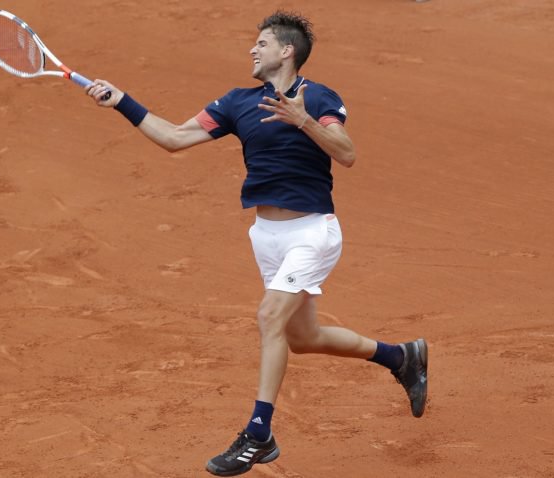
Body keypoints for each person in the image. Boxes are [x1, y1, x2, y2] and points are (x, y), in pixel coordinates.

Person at [86, 10, 428, 477]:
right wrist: (121, 100)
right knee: (302, 338)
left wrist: (303, 119)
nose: (253, 49)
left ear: (287, 51)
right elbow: (173, 137)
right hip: (266, 237)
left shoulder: (319, 97)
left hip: (312, 231)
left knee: (268, 316)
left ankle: (258, 434)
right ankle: (400, 356)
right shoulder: (235, 102)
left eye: (262, 43)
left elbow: (346, 153)